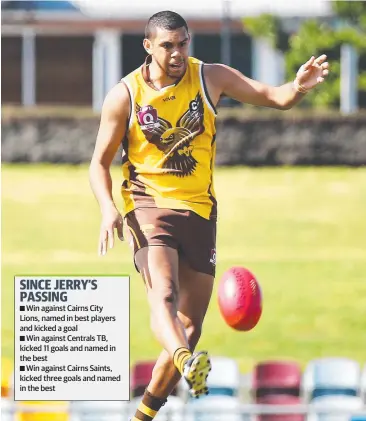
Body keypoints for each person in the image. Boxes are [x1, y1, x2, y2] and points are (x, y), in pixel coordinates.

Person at [89, 10, 329, 421]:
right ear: (148, 46)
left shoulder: (210, 77)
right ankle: (185, 361)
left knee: (190, 323)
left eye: (183, 43)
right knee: (162, 294)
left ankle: (144, 414)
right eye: (168, 45)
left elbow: (276, 98)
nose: (178, 53)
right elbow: (99, 163)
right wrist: (109, 207)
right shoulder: (125, 95)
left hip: (200, 212)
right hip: (148, 208)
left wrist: (298, 87)